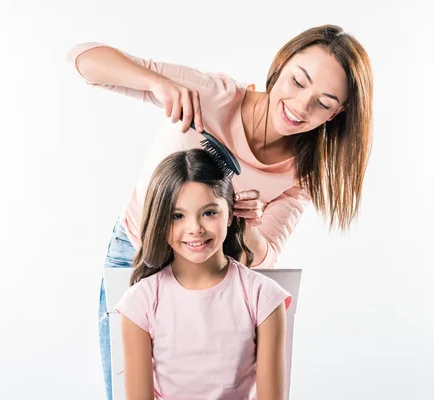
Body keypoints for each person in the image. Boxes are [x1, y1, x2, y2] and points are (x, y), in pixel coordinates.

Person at [67, 24, 373, 400]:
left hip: (210, 283)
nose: (300, 106)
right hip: (137, 257)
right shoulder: (211, 95)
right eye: (298, 81)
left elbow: (265, 255)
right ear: (280, 66)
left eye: (323, 103)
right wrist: (157, 83)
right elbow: (83, 59)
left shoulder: (303, 172)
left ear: (337, 113)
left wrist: (252, 225)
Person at [115, 148, 291, 399]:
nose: (195, 228)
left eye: (209, 212)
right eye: (177, 216)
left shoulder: (263, 296)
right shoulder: (141, 302)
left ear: (230, 213)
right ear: (160, 221)